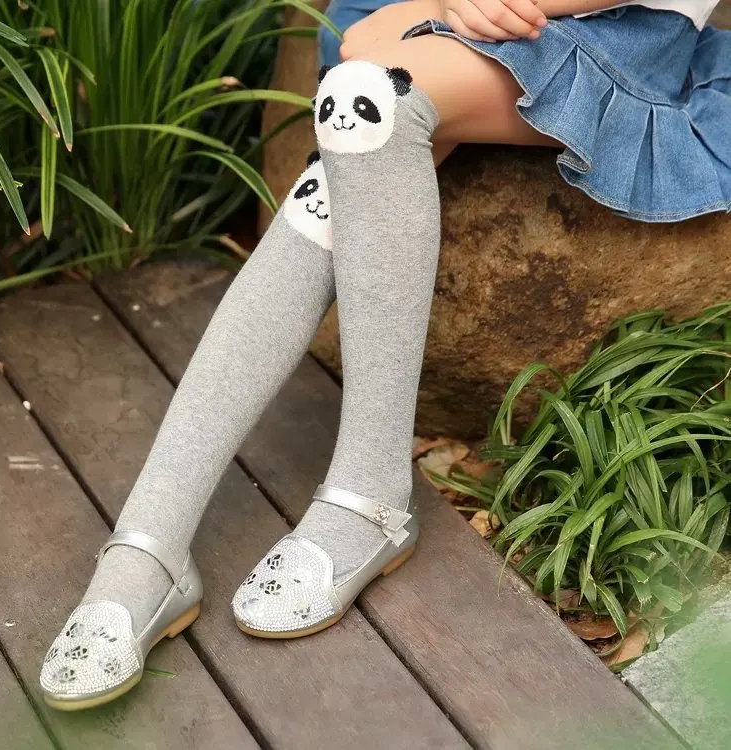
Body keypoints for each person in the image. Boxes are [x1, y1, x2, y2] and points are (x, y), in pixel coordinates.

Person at [39, 0, 729, 710]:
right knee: (358, 114)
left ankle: (355, 497)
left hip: (611, 28)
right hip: (483, 14)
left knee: (368, 99)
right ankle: (152, 539)